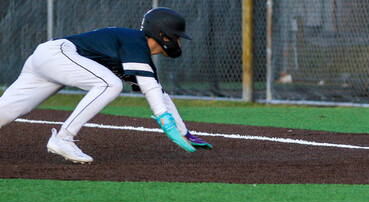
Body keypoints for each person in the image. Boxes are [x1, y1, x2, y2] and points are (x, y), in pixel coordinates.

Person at [0, 7, 212, 164]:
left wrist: (183, 131)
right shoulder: (136, 41)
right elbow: (151, 89)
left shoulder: (139, 55)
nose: (179, 43)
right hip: (57, 53)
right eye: (177, 37)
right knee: (110, 84)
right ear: (163, 35)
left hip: (48, 59)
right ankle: (63, 138)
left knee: (8, 109)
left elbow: (158, 92)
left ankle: (64, 138)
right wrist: (166, 123)